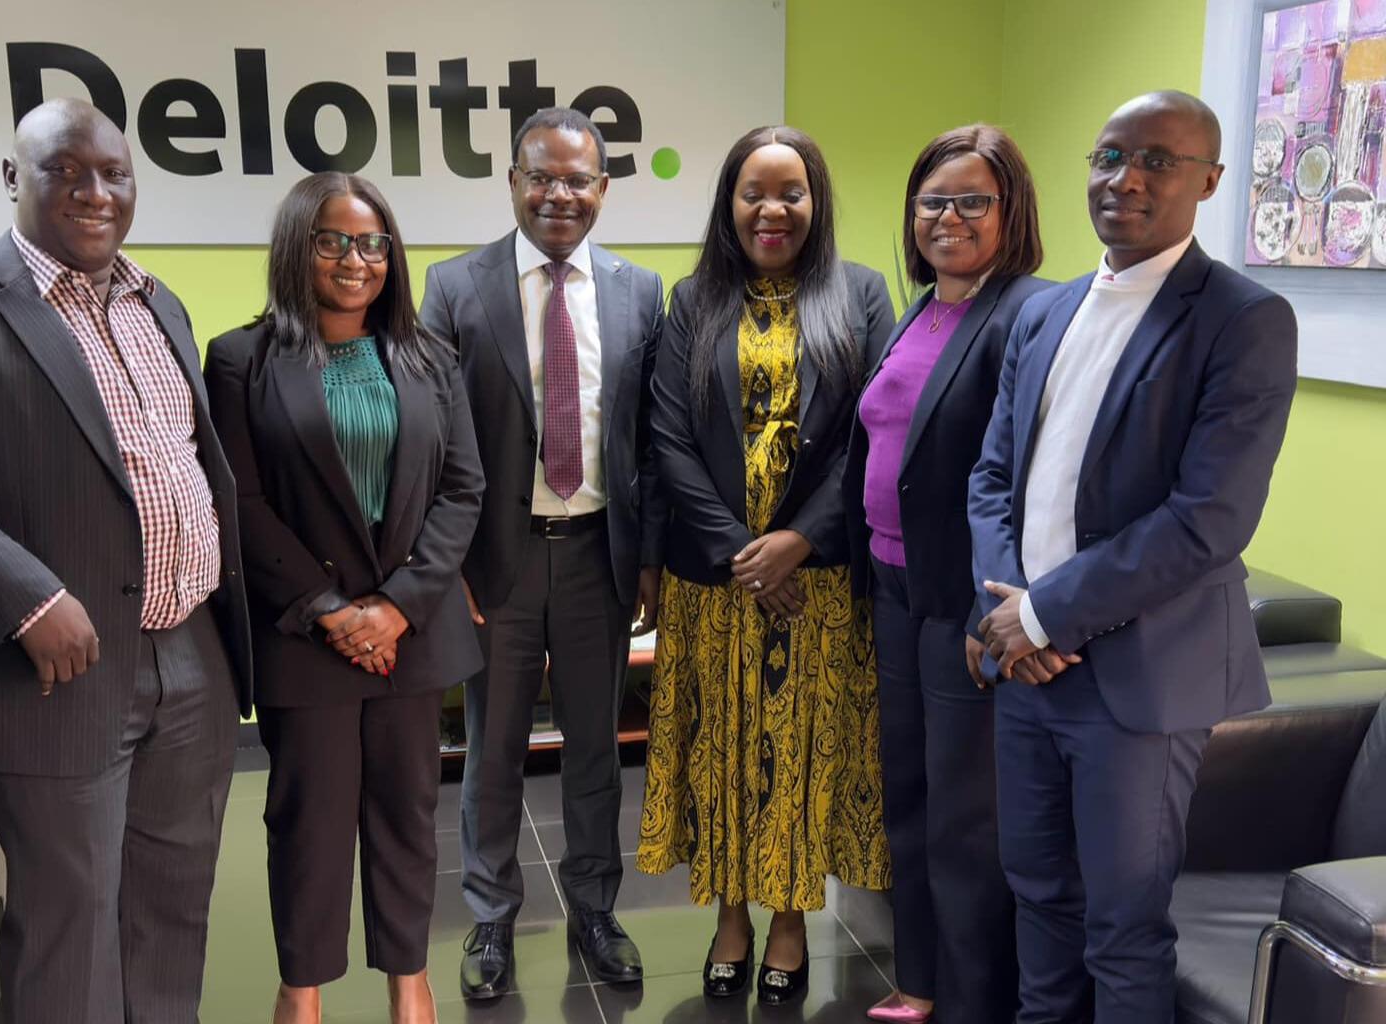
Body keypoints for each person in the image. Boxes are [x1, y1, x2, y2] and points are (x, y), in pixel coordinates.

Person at [0, 98, 252, 1023]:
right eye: (64, 170)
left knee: (171, 911)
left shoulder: (157, 302)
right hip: (57, 672)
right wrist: (25, 593)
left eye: (113, 173)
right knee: (71, 932)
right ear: (11, 178)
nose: (94, 192)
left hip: (190, 653)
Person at [968, 91, 1298, 1024]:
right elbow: (992, 477)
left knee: (1123, 929)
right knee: (1038, 895)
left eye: (1158, 160)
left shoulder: (1242, 319)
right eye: (1110, 156)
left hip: (1139, 682)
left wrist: (1040, 615)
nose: (1126, 179)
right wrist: (1004, 614)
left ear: (1211, 181)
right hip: (1027, 672)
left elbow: (1208, 519)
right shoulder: (1045, 312)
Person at [205, 173, 483, 1024]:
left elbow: (463, 489)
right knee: (308, 823)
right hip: (304, 633)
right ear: (299, 247)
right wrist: (330, 608)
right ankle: (303, 988)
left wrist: (397, 606)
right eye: (332, 241)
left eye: (372, 243)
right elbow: (241, 502)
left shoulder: (430, 357)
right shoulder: (241, 360)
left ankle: (409, 980)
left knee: (407, 812)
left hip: (410, 632)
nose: (355, 259)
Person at [638, 124, 896, 1005]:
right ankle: (731, 917)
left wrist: (799, 540)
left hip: (817, 584)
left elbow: (871, 433)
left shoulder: (860, 295)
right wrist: (740, 551)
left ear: (816, 201)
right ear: (730, 204)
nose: (771, 210)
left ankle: (789, 920)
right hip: (713, 583)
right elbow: (668, 436)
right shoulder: (693, 300)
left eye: (791, 192)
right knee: (722, 751)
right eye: (754, 192)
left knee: (799, 755)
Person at [418, 107, 665, 997]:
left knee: (596, 747)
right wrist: (446, 567)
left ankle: (594, 907)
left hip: (601, 554)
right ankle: (490, 916)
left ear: (603, 188)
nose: (560, 194)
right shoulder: (455, 286)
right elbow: (432, 438)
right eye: (542, 176)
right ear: (513, 181)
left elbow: (649, 437)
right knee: (495, 750)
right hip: (499, 563)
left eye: (578, 179)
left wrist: (650, 557)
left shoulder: (641, 290)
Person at [846, 125, 1048, 1024]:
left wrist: (988, 605)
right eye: (933, 201)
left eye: (973, 201)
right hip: (894, 587)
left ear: (1011, 211)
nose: (948, 218)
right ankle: (921, 981)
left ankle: (971, 1001)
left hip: (964, 600)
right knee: (910, 795)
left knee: (966, 817)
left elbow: (1028, 477)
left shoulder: (1027, 314)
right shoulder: (921, 308)